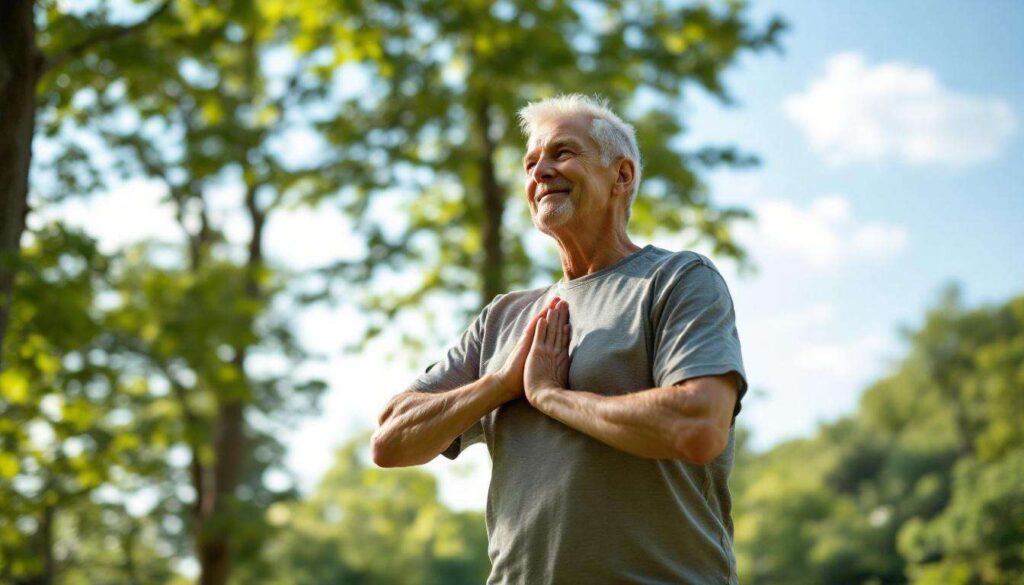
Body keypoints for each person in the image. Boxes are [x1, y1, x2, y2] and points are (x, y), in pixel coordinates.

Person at [371, 94, 747, 585]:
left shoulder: (677, 279)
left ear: (622, 175)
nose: (541, 172)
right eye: (531, 163)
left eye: (563, 153)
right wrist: (500, 384)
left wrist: (551, 396)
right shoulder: (503, 317)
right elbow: (390, 442)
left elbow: (698, 425)